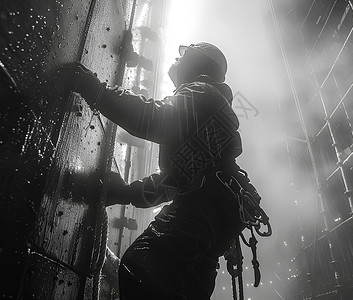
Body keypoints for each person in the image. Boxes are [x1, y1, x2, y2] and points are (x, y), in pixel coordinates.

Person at [64, 42, 262, 300]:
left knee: (142, 270)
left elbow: (156, 120)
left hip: (204, 208)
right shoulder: (211, 110)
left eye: (184, 55)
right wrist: (125, 193)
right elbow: (174, 181)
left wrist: (97, 92)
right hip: (217, 215)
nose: (176, 59)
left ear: (196, 62)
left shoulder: (202, 92)